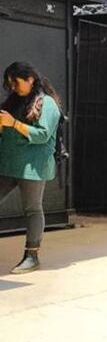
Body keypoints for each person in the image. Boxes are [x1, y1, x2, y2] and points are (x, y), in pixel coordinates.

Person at [0, 62, 62, 274]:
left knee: (32, 209)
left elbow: (43, 135)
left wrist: (13, 124)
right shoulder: (14, 101)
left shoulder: (48, 104)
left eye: (16, 83)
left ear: (31, 79)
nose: (14, 88)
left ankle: (31, 256)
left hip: (33, 166)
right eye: (10, 84)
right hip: (8, 164)